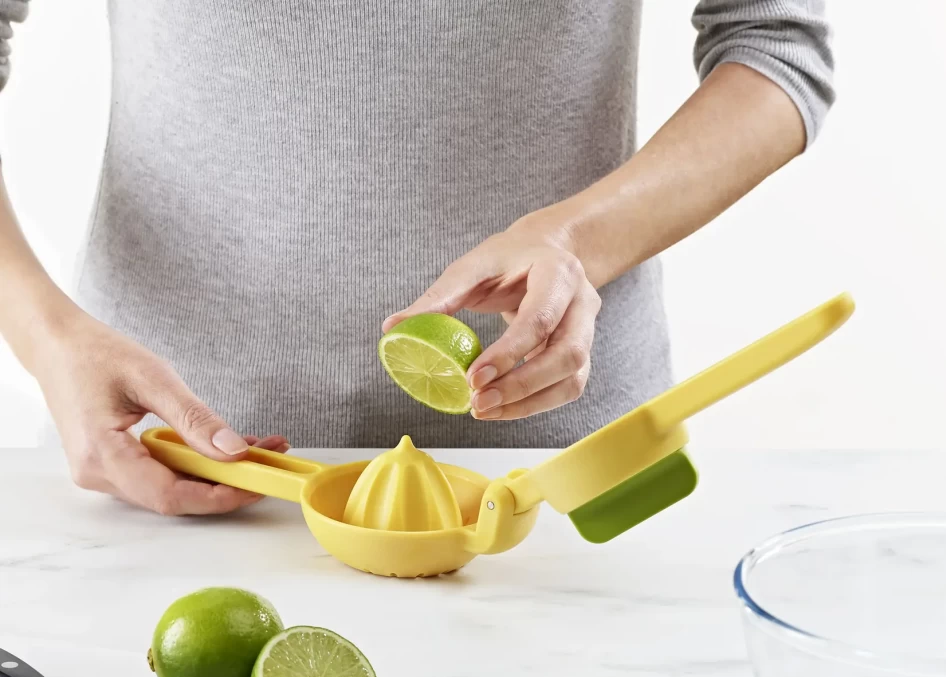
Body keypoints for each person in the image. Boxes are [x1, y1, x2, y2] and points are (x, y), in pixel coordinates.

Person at [0, 1, 834, 516]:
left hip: (554, 479)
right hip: (160, 461)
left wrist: (577, 240)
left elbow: (775, 45)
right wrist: (46, 336)